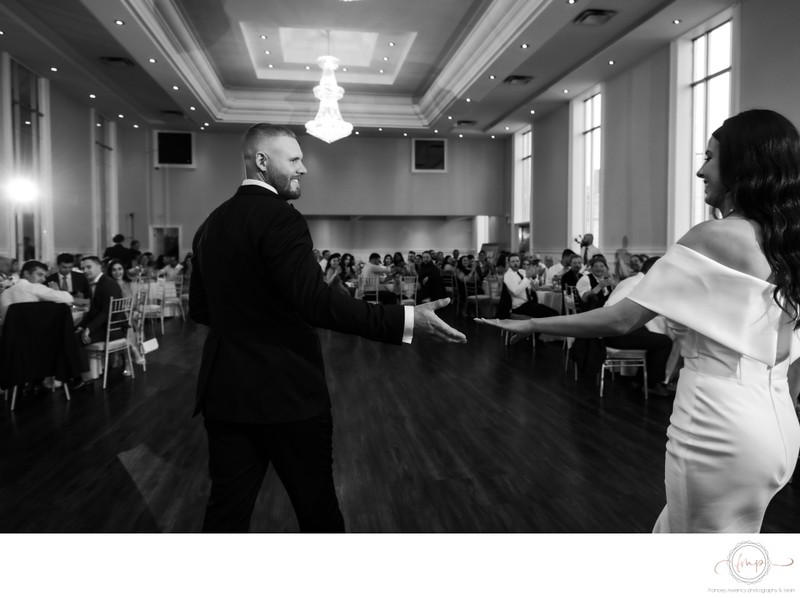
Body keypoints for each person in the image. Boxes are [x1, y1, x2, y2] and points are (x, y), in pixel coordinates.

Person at [479, 109, 800, 533]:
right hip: (777, 423)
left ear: (742, 165)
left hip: (720, 421)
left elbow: (621, 320)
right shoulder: (788, 244)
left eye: (710, 158)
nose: (701, 170)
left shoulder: (713, 237)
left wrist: (534, 325)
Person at [189, 123, 466, 533]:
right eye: (295, 159)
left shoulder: (210, 224)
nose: (304, 169)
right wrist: (406, 318)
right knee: (317, 509)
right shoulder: (281, 219)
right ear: (262, 162)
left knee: (226, 514)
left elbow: (200, 307)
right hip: (287, 394)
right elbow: (316, 302)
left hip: (225, 393)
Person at [72, 255, 124, 390]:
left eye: (89, 267)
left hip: (113, 329)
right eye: (83, 268)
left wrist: (88, 329)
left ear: (99, 266)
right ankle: (74, 374)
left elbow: (106, 313)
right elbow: (93, 312)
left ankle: (85, 377)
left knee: (76, 340)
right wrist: (82, 326)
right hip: (104, 326)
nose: (85, 271)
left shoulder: (108, 284)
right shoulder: (95, 283)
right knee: (72, 333)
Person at [0, 260, 73, 324]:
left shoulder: (4, 293)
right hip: (36, 335)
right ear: (26, 274)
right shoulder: (35, 287)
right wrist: (56, 291)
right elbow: (68, 298)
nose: (44, 279)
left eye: (45, 276)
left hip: (10, 337)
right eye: (40, 275)